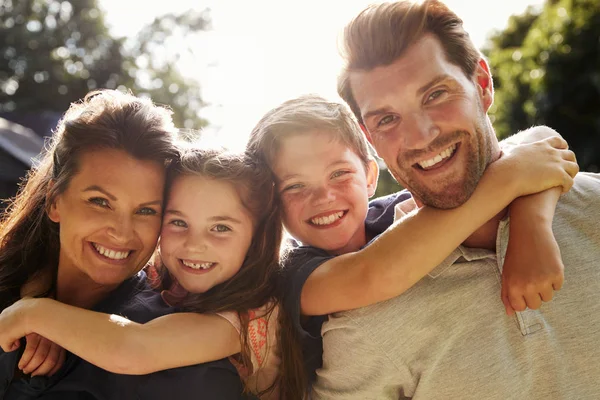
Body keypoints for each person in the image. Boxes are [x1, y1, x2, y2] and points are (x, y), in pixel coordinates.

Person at [308, 1, 600, 398]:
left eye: (435, 94)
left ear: (482, 84)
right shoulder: (363, 324)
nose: (421, 135)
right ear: (370, 138)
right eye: (387, 119)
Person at [245, 94, 578, 386]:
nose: (324, 197)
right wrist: (513, 176)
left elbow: (540, 140)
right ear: (271, 205)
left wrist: (531, 226)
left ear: (370, 175)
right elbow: (374, 274)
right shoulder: (292, 273)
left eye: (339, 174)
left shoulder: (396, 211)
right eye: (295, 186)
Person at [0, 90, 249, 399]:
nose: (121, 232)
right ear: (55, 201)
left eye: (146, 210)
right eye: (100, 202)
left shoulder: (184, 366)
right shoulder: (15, 281)